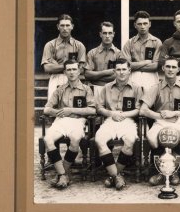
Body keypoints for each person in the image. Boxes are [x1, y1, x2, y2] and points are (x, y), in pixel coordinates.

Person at [140, 57, 180, 186]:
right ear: (163, 68)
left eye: (173, 67)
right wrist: (160, 116)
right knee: (151, 136)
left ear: (178, 69)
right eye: (168, 66)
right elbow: (143, 110)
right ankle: (160, 171)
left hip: (179, 121)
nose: (170, 69)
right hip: (160, 121)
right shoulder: (156, 87)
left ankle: (173, 171)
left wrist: (175, 113)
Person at [43, 59, 96, 189]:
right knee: (48, 139)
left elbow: (92, 109)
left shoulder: (86, 89)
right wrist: (59, 112)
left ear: (79, 71)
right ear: (65, 72)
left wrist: (71, 110)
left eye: (74, 69)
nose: (72, 72)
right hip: (61, 120)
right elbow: (46, 109)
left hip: (78, 121)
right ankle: (63, 174)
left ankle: (63, 173)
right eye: (69, 70)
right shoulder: (60, 89)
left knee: (76, 138)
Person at [94, 59, 143, 190]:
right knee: (99, 139)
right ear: (114, 71)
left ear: (129, 71)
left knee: (130, 141)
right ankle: (117, 176)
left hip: (128, 121)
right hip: (110, 120)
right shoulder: (106, 87)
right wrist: (111, 113)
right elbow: (99, 107)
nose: (121, 72)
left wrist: (124, 115)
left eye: (124, 69)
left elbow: (140, 109)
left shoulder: (137, 88)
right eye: (118, 69)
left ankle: (113, 176)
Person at [41, 14, 86, 100]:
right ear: (58, 27)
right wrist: (71, 65)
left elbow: (82, 69)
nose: (65, 28)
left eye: (67, 25)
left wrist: (56, 65)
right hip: (56, 78)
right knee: (54, 106)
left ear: (72, 26)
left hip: (74, 79)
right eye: (62, 25)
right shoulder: (50, 45)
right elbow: (47, 68)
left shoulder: (79, 46)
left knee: (72, 107)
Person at [120, 11, 162, 90]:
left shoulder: (156, 42)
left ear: (149, 24)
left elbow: (156, 66)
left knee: (150, 101)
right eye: (139, 24)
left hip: (151, 77)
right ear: (135, 25)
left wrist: (134, 65)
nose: (142, 26)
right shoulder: (129, 43)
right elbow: (126, 66)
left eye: (145, 23)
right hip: (134, 77)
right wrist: (146, 62)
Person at [84, 21, 121, 98]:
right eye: (105, 33)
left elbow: (118, 75)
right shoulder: (92, 53)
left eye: (110, 33)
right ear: (100, 34)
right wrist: (106, 72)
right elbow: (87, 75)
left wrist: (96, 75)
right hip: (95, 89)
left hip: (113, 89)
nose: (107, 36)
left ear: (113, 34)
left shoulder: (119, 54)